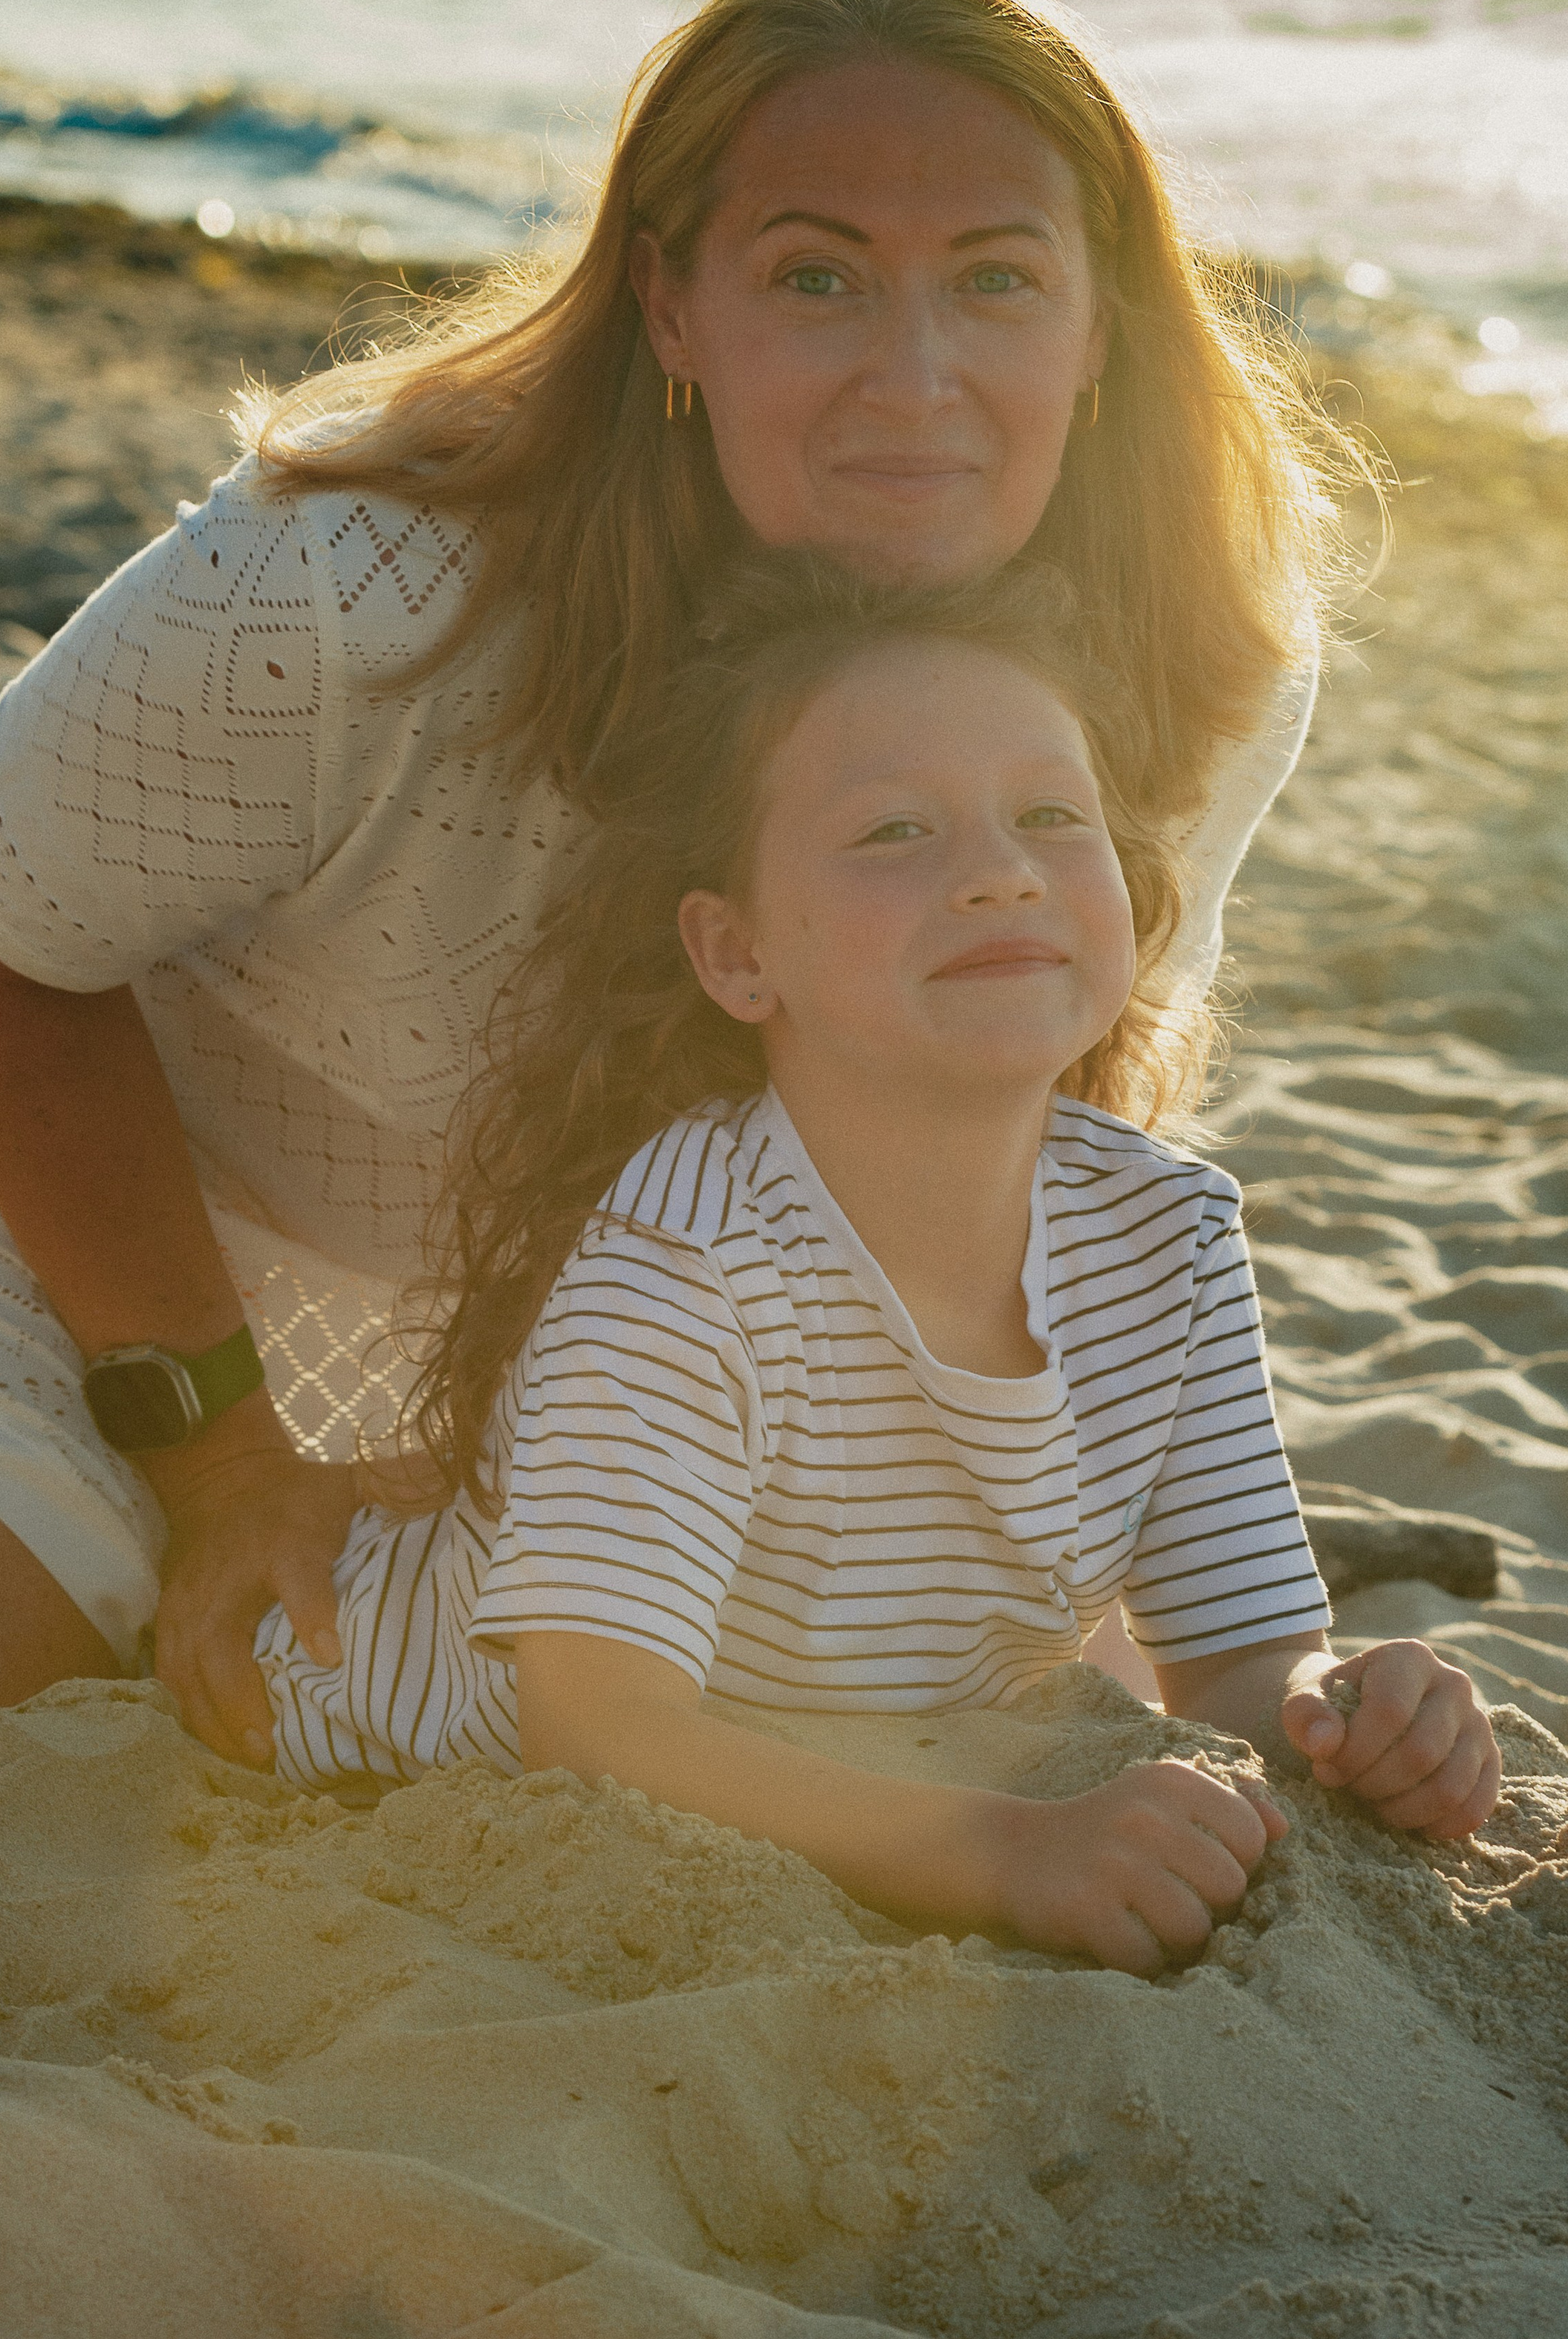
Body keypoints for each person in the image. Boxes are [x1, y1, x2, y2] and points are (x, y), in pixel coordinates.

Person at [0, 0, 1351, 1768]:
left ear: (1102, 325)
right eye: (817, 277)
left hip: (645, 1347)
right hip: (83, 1252)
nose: (914, 375)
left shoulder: (1200, 662)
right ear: (670, 305)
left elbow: (1029, 1101)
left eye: (996, 278)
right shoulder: (361, 582)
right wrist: (216, 1454)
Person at [258, 561, 1497, 1975]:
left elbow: (1230, 1663)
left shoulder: (1170, 1237)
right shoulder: (682, 1264)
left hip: (867, 1730)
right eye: (895, 830)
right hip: (370, 1739)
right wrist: (1008, 1854)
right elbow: (598, 1735)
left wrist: (1358, 1717)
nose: (1000, 871)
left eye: (1052, 816)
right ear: (737, 953)